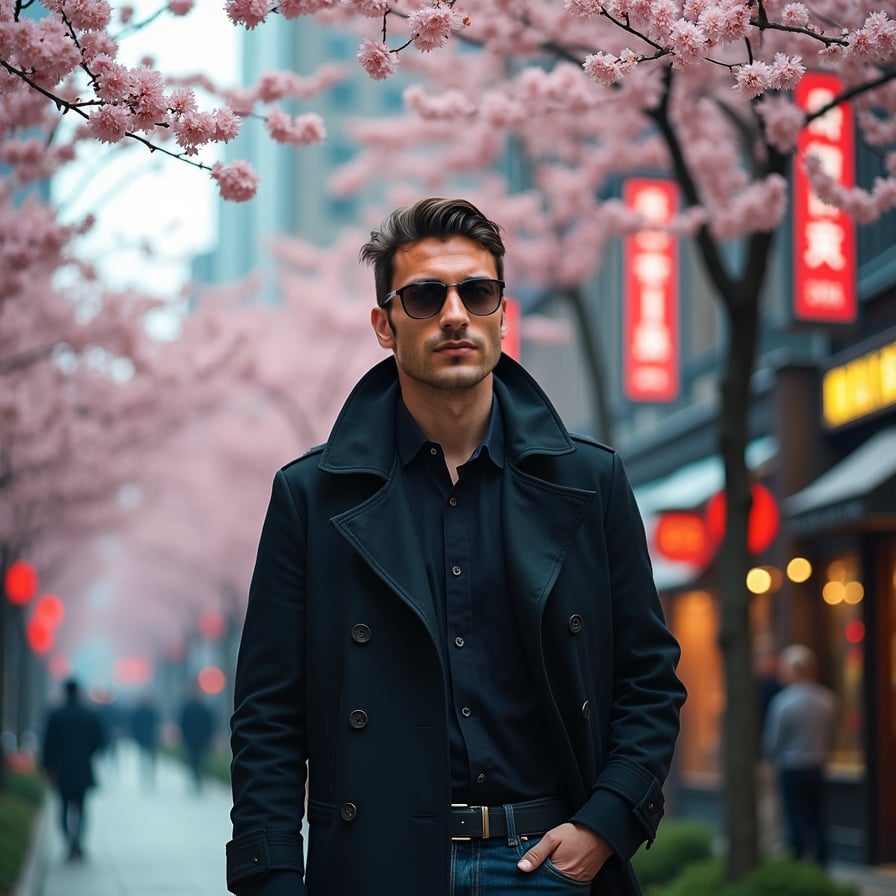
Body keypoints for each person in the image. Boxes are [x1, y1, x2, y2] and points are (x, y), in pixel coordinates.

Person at [226, 197, 687, 896]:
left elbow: (649, 678)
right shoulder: (312, 498)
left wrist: (606, 824)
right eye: (423, 296)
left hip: (548, 867)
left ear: (504, 314)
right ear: (384, 325)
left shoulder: (591, 481)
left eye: (477, 292)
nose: (453, 314)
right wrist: (272, 878)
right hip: (380, 868)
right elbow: (268, 716)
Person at [762, 644, 838, 865]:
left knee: (795, 823)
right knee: (819, 820)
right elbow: (833, 736)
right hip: (818, 765)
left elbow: (772, 742)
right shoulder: (828, 700)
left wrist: (770, 759)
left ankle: (797, 867)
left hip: (792, 767)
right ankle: (821, 866)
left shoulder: (782, 702)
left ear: (791, 670)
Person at [40, 677, 107, 861]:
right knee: (82, 807)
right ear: (78, 692)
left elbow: (48, 744)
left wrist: (47, 767)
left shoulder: (56, 715)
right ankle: (78, 843)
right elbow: (99, 741)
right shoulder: (90, 715)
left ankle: (69, 842)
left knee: (62, 808)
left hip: (61, 769)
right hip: (83, 768)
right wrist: (87, 754)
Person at [179, 683, 215, 793]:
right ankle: (196, 780)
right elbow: (183, 724)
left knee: (198, 760)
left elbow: (209, 724)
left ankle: (198, 779)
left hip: (201, 739)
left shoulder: (203, 707)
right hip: (191, 739)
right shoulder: (188, 707)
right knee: (193, 760)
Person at [129, 693, 161, 790]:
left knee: (143, 757)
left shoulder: (138, 711)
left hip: (142, 738)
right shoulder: (152, 711)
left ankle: (145, 774)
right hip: (150, 738)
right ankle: (151, 774)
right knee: (151, 757)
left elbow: (134, 726)